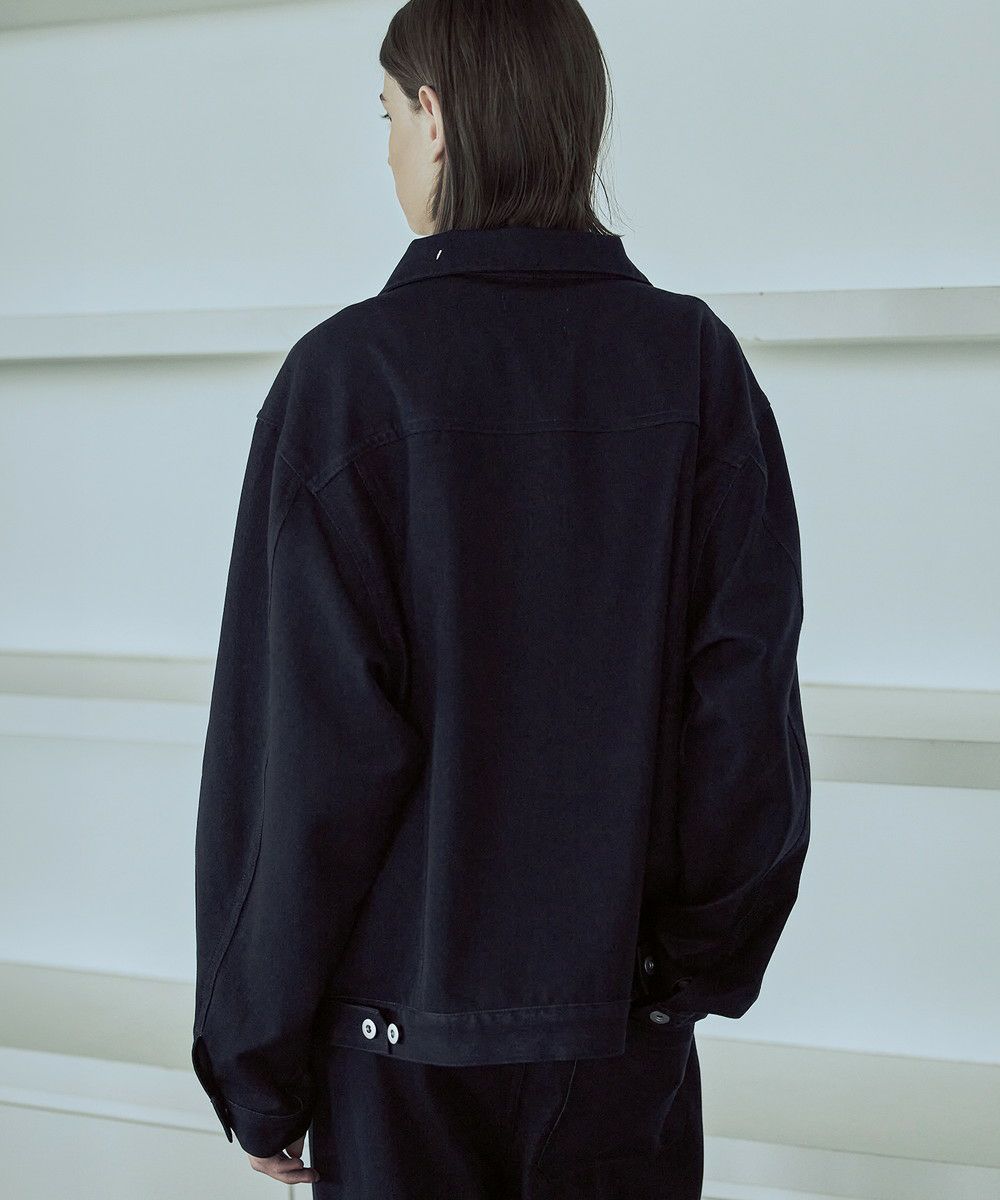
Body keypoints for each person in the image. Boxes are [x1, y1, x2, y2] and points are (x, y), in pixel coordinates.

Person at [190, 0, 811, 1196]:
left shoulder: (348, 380)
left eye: (386, 113)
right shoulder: (696, 368)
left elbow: (300, 768)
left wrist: (256, 1066)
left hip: (396, 1060)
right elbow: (743, 721)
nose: (386, 147)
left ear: (435, 118)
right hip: (619, 1039)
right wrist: (680, 974)